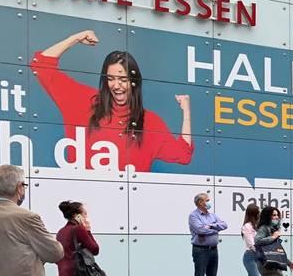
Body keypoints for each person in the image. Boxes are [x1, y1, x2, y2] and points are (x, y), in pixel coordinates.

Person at [32, 29, 193, 172]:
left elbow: (183, 154)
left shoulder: (149, 121)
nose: (116, 85)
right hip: (81, 201)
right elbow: (41, 65)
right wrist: (75, 38)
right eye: (111, 79)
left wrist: (186, 112)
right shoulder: (84, 101)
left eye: (123, 79)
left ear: (134, 81)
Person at [188, 192, 227, 276]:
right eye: (207, 200)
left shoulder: (212, 215)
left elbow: (224, 225)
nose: (209, 202)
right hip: (200, 250)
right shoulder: (193, 216)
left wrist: (210, 226)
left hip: (213, 249)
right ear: (200, 202)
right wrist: (215, 229)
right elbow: (200, 229)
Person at [55, 200, 100, 276]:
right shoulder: (78, 229)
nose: (86, 217)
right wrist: (88, 230)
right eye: (84, 214)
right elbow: (95, 249)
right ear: (77, 216)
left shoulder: (61, 232)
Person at [241, 204, 263, 276]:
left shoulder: (257, 226)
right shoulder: (247, 226)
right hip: (250, 255)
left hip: (256, 255)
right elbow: (251, 243)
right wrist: (260, 251)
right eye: (258, 211)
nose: (259, 213)